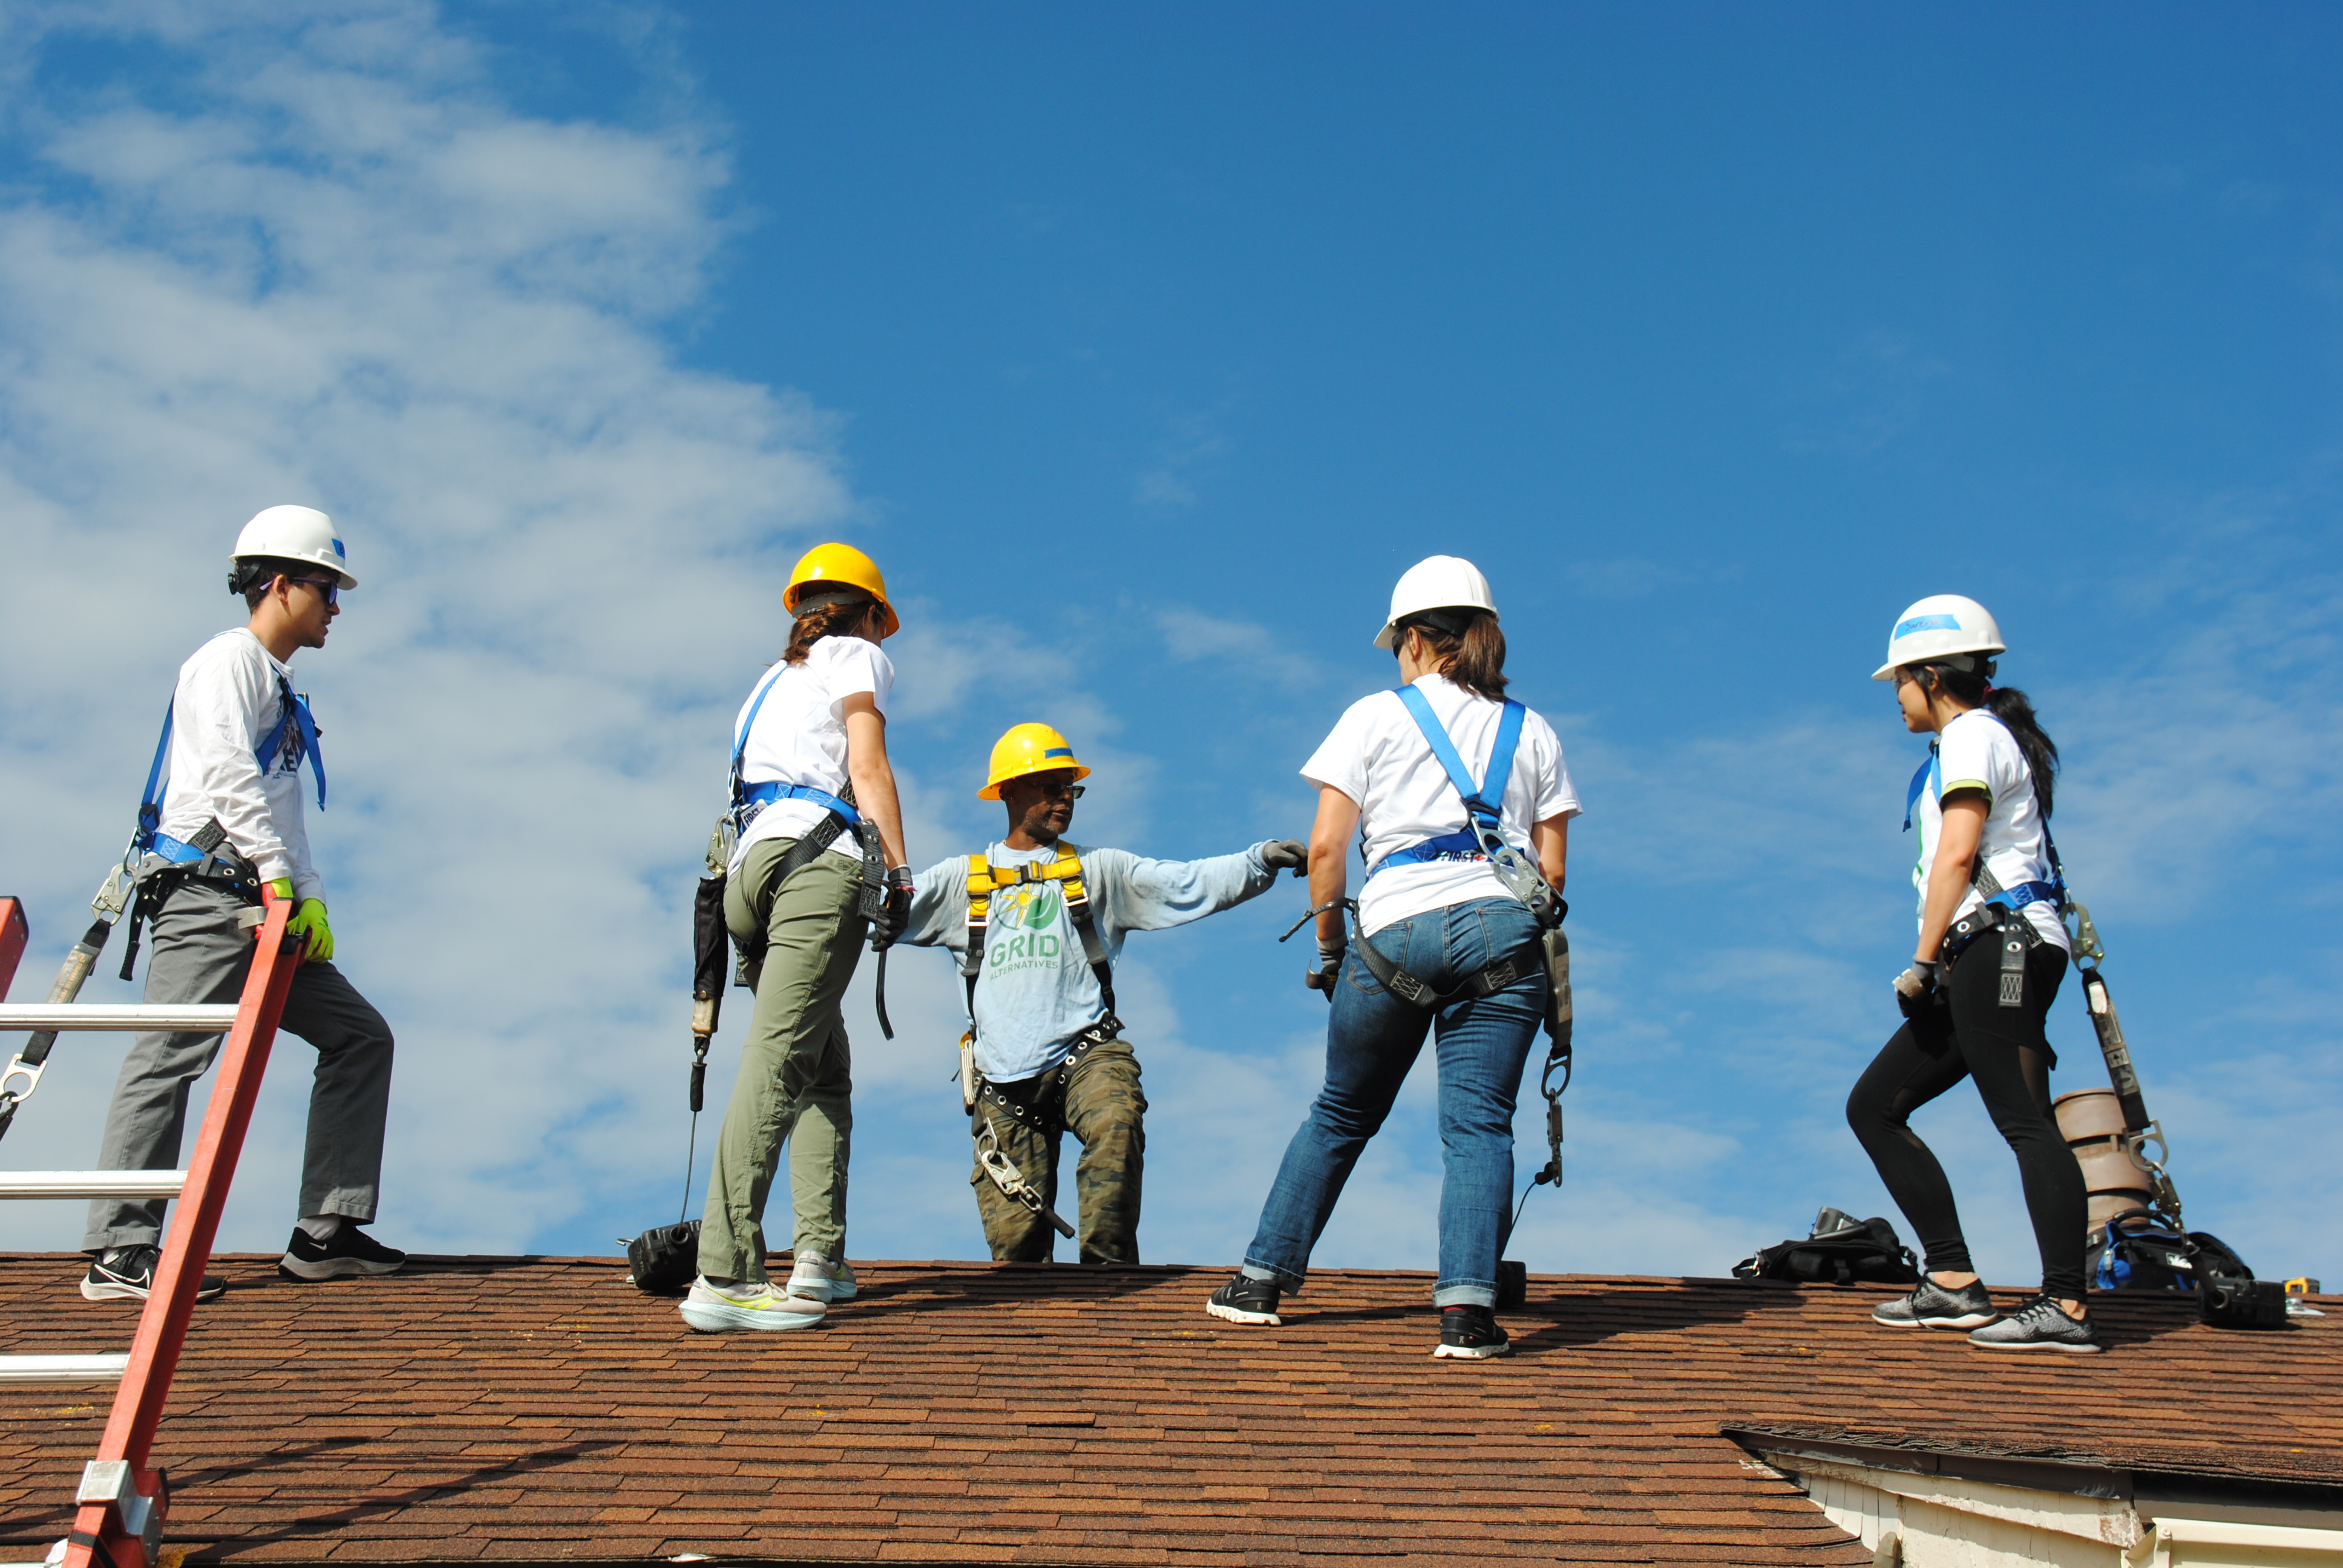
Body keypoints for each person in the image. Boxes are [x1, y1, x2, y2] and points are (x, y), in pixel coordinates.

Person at [1206, 555, 1578, 1360]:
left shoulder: (1374, 718)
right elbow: (1550, 873)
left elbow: (1329, 849)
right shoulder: (1535, 730)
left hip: (1395, 931)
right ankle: (1467, 1316)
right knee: (1479, 1128)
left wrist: (1333, 952)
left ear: (1413, 639)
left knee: (1342, 1111)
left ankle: (1262, 1282)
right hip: (1501, 935)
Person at [83, 505, 404, 1301]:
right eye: (327, 588)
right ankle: (121, 1250)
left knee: (360, 1038)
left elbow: (283, 808)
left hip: (262, 896)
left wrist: (307, 894)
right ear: (282, 583)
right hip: (210, 893)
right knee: (170, 1054)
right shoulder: (227, 662)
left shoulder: (279, 685)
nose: (336, 607)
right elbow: (229, 776)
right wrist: (276, 879)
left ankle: (324, 1231)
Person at [897, 723, 1303, 1266]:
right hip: (1001, 1083)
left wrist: (1257, 862)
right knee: (1016, 1266)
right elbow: (876, 907)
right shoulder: (961, 882)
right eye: (1051, 786)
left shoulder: (1098, 871)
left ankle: (1109, 1283)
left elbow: (1185, 883)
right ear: (1009, 791)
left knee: (1116, 1120)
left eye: (1071, 788)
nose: (1064, 798)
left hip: (1085, 1053)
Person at [1846, 595, 2096, 1353]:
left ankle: (2065, 1307)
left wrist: (1922, 960)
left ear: (1929, 676)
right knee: (1874, 1107)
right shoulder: (1971, 741)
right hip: (1983, 954)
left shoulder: (1969, 739)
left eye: (1899, 682)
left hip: (2000, 950)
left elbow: (1957, 855)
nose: (1895, 697)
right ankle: (1952, 1282)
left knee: (2022, 1118)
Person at [682, 543, 914, 1334]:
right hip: (818, 866)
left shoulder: (770, 682)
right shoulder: (856, 655)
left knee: (819, 1064)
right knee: (779, 1059)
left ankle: (820, 1257)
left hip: (750, 877)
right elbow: (868, 762)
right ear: (873, 618)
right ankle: (726, 1270)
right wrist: (901, 870)